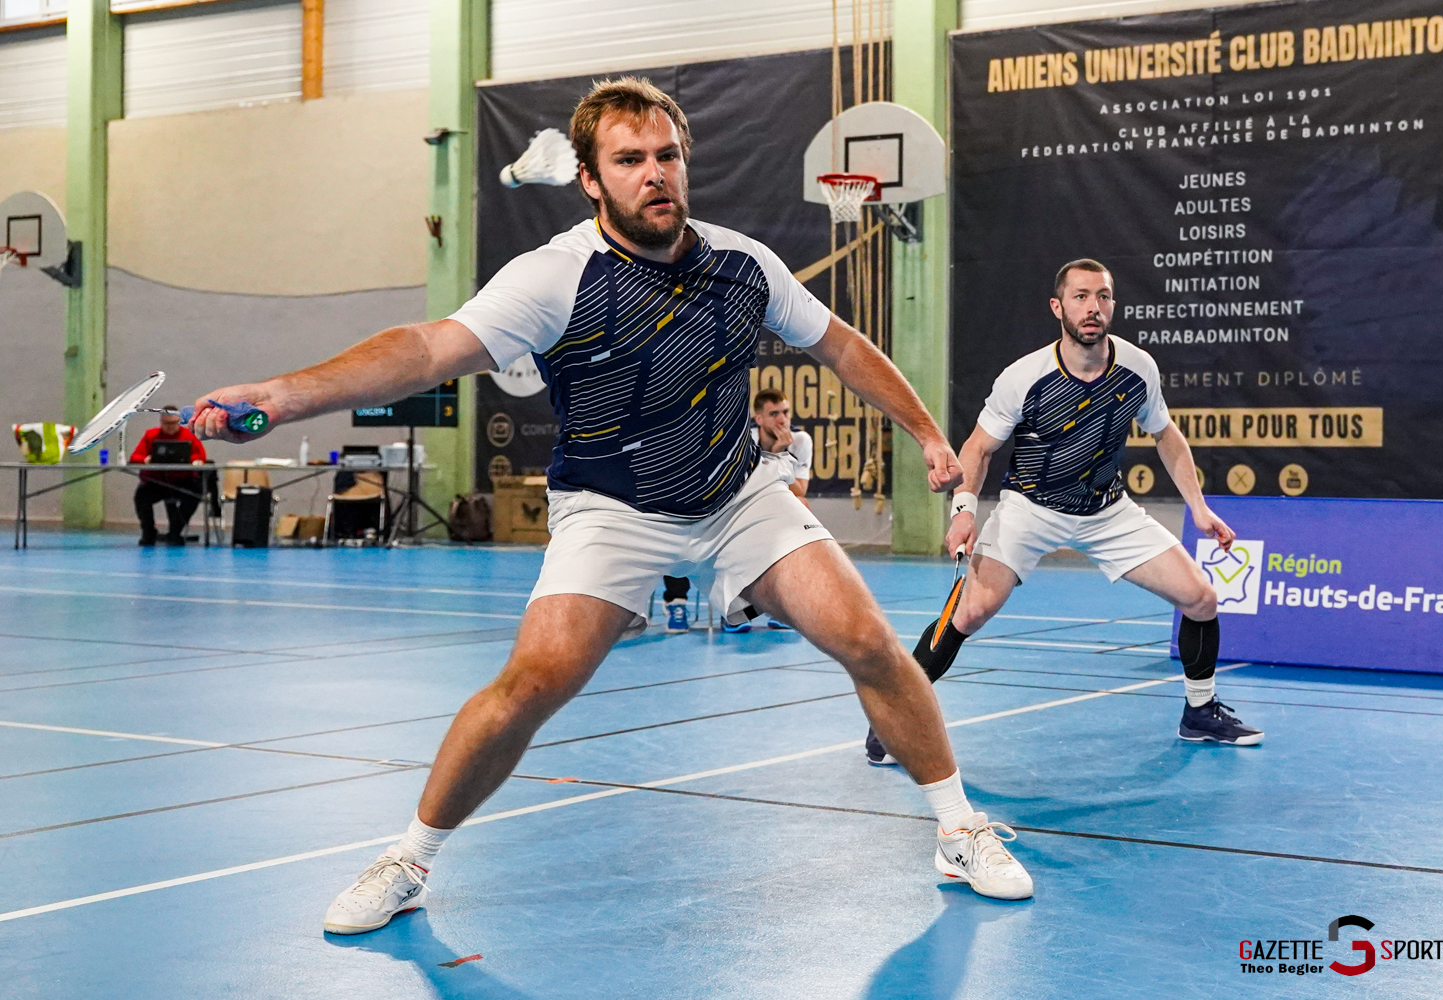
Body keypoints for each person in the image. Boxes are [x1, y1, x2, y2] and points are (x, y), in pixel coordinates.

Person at [190, 77, 1035, 932]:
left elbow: (841, 346)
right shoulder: (554, 277)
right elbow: (424, 350)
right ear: (590, 180)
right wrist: (284, 395)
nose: (655, 173)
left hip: (736, 492)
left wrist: (928, 435)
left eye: (666, 156)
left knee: (869, 641)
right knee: (532, 683)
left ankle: (958, 830)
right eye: (629, 161)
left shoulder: (743, 265)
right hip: (610, 506)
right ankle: (408, 859)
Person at [865, 258, 1262, 767]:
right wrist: (963, 511)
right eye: (1080, 297)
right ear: (1058, 307)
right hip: (1030, 509)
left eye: (1102, 296)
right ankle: (893, 722)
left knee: (1201, 598)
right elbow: (979, 448)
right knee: (971, 611)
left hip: (1107, 510)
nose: (1093, 307)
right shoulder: (1024, 377)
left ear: (1112, 304)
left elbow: (1166, 435)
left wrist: (1199, 508)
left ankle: (1200, 713)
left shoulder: (1138, 367)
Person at [716, 388, 812, 632]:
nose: (782, 420)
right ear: (758, 419)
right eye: (774, 414)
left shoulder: (800, 440)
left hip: (774, 503)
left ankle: (781, 605)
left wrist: (780, 452)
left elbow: (799, 489)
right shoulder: (743, 438)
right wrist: (775, 456)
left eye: (785, 412)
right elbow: (740, 485)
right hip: (739, 503)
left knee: (801, 508)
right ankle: (734, 607)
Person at [129, 406, 207, 546]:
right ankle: (148, 532)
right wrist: (146, 459)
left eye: (174, 423)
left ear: (179, 421)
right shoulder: (150, 435)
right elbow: (135, 457)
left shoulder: (189, 436)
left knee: (195, 494)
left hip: (182, 481)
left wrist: (192, 460)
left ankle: (175, 531)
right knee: (141, 496)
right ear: (161, 422)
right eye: (166, 423)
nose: (170, 427)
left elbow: (201, 456)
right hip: (156, 482)